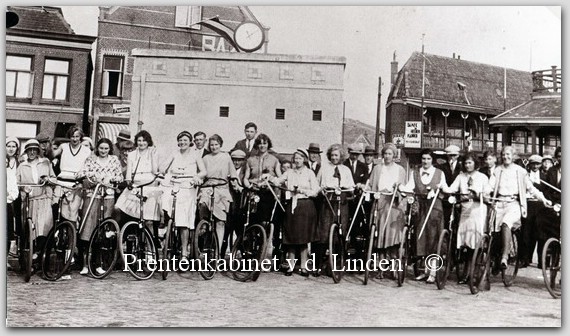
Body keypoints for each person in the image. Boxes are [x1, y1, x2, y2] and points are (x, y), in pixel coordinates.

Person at [487, 146, 550, 272]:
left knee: (506, 224)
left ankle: (505, 257)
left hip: (513, 204)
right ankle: (494, 258)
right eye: (504, 154)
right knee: (494, 232)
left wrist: (543, 199)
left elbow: (531, 188)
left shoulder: (520, 171)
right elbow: (490, 186)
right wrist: (485, 194)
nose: (506, 157)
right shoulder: (498, 170)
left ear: (513, 156)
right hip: (499, 203)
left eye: (508, 154)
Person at [267, 149, 319, 277]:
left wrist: (302, 190)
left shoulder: (309, 173)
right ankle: (290, 266)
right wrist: (268, 177)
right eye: (295, 158)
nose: (297, 160)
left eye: (300, 158)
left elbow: (315, 190)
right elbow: (278, 181)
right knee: (291, 236)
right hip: (292, 206)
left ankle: (303, 267)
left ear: (304, 160)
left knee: (304, 237)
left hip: (305, 205)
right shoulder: (289, 172)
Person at [399, 149, 447, 284]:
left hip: (434, 208)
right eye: (424, 159)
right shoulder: (415, 173)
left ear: (432, 160)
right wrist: (402, 188)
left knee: (433, 237)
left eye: (428, 159)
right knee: (421, 237)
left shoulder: (439, 173)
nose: (425, 161)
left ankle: (433, 272)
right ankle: (424, 271)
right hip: (420, 207)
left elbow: (445, 188)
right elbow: (409, 187)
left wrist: (438, 188)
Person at [77, 138, 123, 275]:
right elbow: (81, 173)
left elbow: (119, 176)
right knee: (87, 229)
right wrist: (93, 177)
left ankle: (99, 263)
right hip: (92, 195)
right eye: (101, 148)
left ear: (110, 149)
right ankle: (85, 263)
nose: (103, 151)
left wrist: (113, 179)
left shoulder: (114, 160)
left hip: (107, 196)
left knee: (103, 230)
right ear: (97, 148)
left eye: (106, 149)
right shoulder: (91, 159)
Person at [442, 153, 490, 284]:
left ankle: (474, 272)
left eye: (470, 162)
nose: (468, 165)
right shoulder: (461, 176)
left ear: (475, 163)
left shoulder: (482, 177)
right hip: (465, 210)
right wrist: (441, 185)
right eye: (466, 163)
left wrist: (477, 194)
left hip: (478, 209)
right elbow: (451, 189)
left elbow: (487, 194)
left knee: (476, 240)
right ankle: (466, 271)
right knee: (466, 241)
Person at [161, 131, 206, 261]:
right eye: (180, 140)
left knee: (183, 219)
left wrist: (197, 176)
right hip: (174, 183)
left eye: (185, 140)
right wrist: (163, 171)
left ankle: (184, 252)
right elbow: (163, 167)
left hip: (188, 186)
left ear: (190, 141)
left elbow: (203, 171)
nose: (182, 143)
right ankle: (167, 229)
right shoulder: (174, 153)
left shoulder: (196, 154)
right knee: (164, 200)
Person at [314, 144, 355, 276]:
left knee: (340, 232)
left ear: (341, 156)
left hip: (341, 202)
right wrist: (323, 189)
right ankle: (319, 264)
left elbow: (351, 187)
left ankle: (335, 265)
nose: (334, 157)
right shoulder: (324, 168)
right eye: (332, 155)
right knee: (324, 232)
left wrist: (347, 190)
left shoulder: (346, 170)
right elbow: (317, 184)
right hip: (327, 201)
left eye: (336, 155)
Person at [115, 130, 162, 242]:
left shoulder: (153, 153)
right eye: (139, 140)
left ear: (148, 141)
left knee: (149, 220)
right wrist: (129, 182)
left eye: (144, 140)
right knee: (118, 208)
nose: (141, 143)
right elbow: (129, 172)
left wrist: (153, 156)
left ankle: (149, 247)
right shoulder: (132, 154)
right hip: (135, 185)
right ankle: (121, 237)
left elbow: (155, 170)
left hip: (150, 185)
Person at [367, 143, 407, 274]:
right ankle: (381, 265)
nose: (387, 156)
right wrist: (366, 189)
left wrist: (398, 189)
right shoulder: (377, 168)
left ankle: (395, 265)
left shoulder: (400, 170)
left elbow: (403, 188)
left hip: (394, 204)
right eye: (385, 153)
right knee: (380, 234)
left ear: (394, 155)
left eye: (390, 154)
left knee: (393, 235)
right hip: (381, 203)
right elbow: (371, 185)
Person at [16, 139, 56, 261]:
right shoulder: (22, 166)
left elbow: (54, 178)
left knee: (44, 226)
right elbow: (16, 182)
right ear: (26, 151)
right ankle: (30, 258)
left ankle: (39, 254)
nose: (32, 152)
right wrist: (23, 187)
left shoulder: (45, 162)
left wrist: (48, 179)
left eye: (34, 150)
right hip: (30, 200)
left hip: (44, 198)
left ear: (38, 151)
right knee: (30, 228)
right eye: (29, 150)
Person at [198, 134, 236, 254]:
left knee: (220, 221)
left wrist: (236, 184)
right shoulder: (205, 158)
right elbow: (201, 174)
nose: (214, 147)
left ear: (220, 145)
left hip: (222, 188)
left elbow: (233, 174)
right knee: (202, 203)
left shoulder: (226, 157)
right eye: (212, 145)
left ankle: (218, 252)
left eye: (216, 145)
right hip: (208, 186)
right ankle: (204, 222)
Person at [51, 126, 92, 225]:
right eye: (72, 136)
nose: (74, 139)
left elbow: (89, 166)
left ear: (80, 137)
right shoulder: (64, 146)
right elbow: (53, 154)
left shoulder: (86, 151)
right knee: (56, 207)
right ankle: (57, 234)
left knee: (72, 212)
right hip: (61, 182)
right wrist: (50, 146)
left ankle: (71, 237)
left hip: (76, 183)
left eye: (77, 136)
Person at [243, 133, 282, 224]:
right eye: (260, 143)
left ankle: (265, 236)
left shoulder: (274, 160)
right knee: (251, 219)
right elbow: (246, 178)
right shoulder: (250, 160)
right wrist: (249, 186)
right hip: (253, 192)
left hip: (267, 193)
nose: (262, 146)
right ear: (256, 145)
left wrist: (272, 181)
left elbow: (280, 178)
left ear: (268, 145)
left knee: (265, 220)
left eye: (264, 143)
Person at [536, 146, 561, 269]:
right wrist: (551, 202)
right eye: (560, 156)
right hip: (553, 205)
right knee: (541, 221)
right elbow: (546, 189)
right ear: (557, 158)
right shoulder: (552, 171)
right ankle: (546, 253)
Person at [520, 154, 544, 267]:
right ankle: (525, 259)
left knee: (539, 233)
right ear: (529, 164)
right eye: (533, 164)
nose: (535, 166)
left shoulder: (544, 176)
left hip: (539, 205)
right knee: (526, 232)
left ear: (540, 165)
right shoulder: (525, 175)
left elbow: (546, 192)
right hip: (528, 204)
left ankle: (541, 261)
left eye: (538, 164)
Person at [6, 137, 21, 264]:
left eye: (13, 146)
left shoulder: (18, 162)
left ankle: (5, 257)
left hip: (14, 196)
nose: (11, 149)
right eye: (8, 146)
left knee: (9, 227)